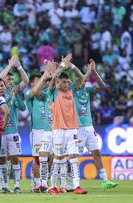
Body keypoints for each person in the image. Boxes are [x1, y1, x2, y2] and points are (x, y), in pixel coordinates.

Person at [72, 59, 118, 190]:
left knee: (96, 152)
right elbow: (81, 80)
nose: (83, 82)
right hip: (77, 128)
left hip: (89, 127)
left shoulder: (87, 91)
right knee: (74, 155)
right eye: (80, 80)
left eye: (84, 80)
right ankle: (71, 182)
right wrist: (88, 71)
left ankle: (105, 180)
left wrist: (95, 72)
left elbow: (102, 85)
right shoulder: (72, 90)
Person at [47, 54, 87, 195]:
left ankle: (77, 186)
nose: (67, 84)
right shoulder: (52, 92)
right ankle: (52, 186)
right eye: (64, 82)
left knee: (74, 157)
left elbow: (82, 79)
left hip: (72, 129)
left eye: (68, 82)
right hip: (58, 129)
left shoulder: (72, 91)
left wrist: (73, 66)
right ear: (59, 82)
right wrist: (63, 65)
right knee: (57, 158)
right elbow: (52, 80)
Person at [0, 55, 29, 193]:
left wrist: (19, 67)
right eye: (8, 78)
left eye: (12, 79)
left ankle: (17, 185)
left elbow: (26, 81)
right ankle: (4, 185)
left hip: (13, 132)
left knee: (15, 158)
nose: (11, 80)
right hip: (0, 132)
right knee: (2, 160)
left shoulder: (13, 92)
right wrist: (10, 65)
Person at [26, 61, 56, 193]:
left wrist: (53, 72)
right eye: (39, 81)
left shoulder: (47, 95)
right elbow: (34, 91)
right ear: (33, 83)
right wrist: (45, 75)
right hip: (37, 131)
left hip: (50, 130)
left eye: (43, 81)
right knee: (38, 159)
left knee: (52, 158)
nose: (42, 84)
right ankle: (37, 184)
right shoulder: (29, 96)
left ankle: (43, 180)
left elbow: (54, 85)